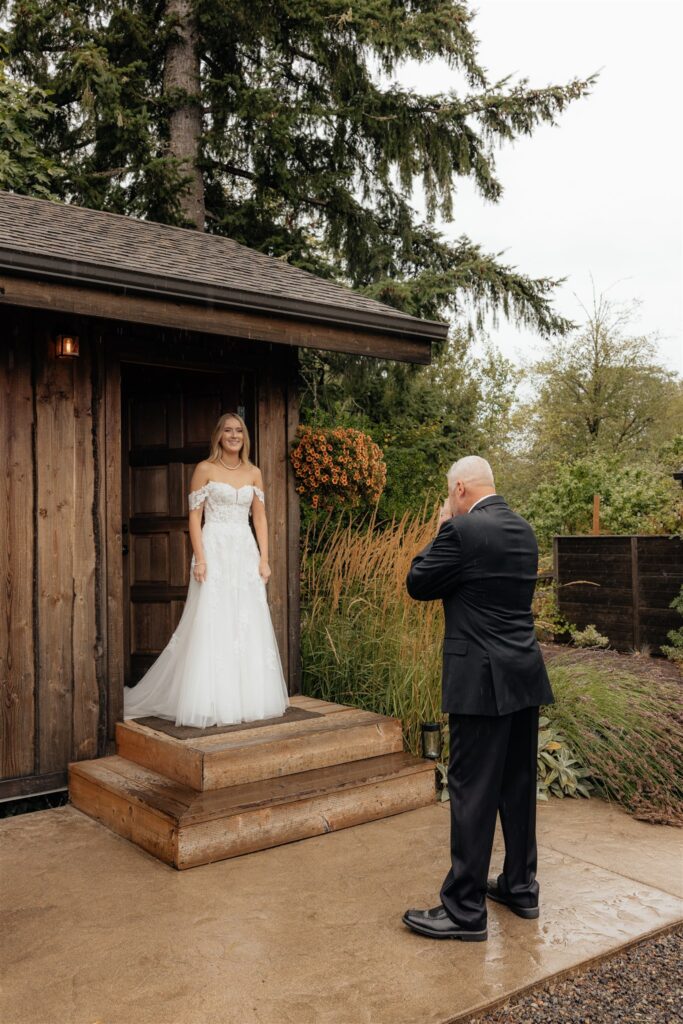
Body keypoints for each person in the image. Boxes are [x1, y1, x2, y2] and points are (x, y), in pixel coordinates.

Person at [402, 455, 553, 942]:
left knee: (470, 789)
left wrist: (442, 527)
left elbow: (418, 582)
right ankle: (520, 887)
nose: (450, 499)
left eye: (450, 493)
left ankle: (464, 910)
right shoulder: (524, 531)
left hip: (479, 683)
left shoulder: (462, 531)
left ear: (461, 489)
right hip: (523, 675)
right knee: (517, 784)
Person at [123, 412, 289, 729]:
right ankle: (210, 699)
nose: (234, 435)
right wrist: (200, 558)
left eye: (239, 430)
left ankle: (248, 698)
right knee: (214, 620)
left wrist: (264, 559)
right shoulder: (204, 469)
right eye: (228, 430)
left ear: (245, 436)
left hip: (243, 551)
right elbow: (194, 518)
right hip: (214, 549)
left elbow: (260, 518)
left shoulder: (254, 472)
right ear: (218, 435)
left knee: (246, 619)